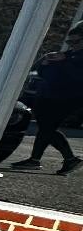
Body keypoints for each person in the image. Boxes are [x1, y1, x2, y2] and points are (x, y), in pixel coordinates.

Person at [11, 23, 83, 174]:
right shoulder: (69, 55)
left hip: (66, 98)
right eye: (69, 42)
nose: (71, 45)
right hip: (49, 95)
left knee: (47, 128)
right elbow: (46, 74)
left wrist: (63, 61)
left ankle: (70, 159)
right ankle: (35, 159)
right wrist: (45, 63)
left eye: (75, 42)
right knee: (45, 127)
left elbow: (76, 77)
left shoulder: (74, 58)